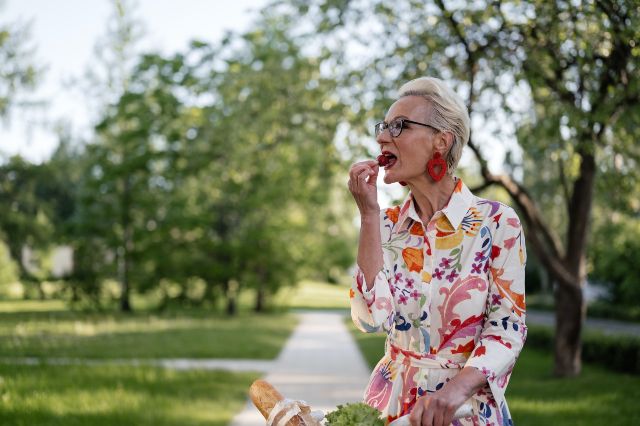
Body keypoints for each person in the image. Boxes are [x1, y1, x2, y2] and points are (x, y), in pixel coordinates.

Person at [347, 77, 526, 426]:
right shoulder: (383, 225)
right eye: (383, 127)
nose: (383, 136)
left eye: (399, 126)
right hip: (391, 408)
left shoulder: (496, 223)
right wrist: (368, 214)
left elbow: (507, 330)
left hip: (465, 411)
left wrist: (454, 392)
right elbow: (370, 318)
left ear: (440, 142)